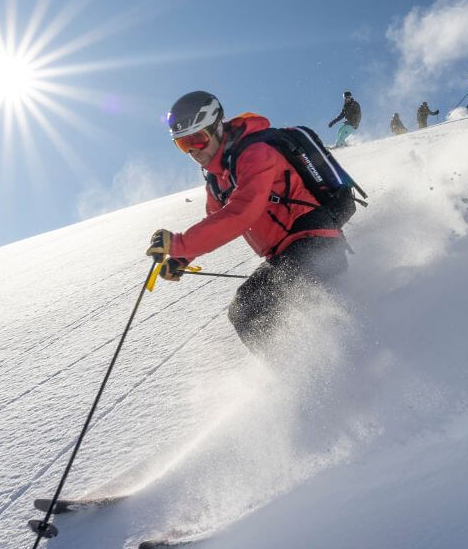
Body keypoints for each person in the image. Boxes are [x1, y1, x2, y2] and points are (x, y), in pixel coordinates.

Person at [146, 91, 349, 354]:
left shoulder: (255, 153)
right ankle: (302, 379)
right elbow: (216, 219)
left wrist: (179, 244)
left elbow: (242, 214)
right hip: (285, 255)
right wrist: (183, 258)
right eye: (184, 144)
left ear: (217, 127)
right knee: (244, 312)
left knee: (275, 306)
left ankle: (354, 367)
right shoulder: (218, 179)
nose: (194, 150)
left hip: (315, 240)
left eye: (198, 139)